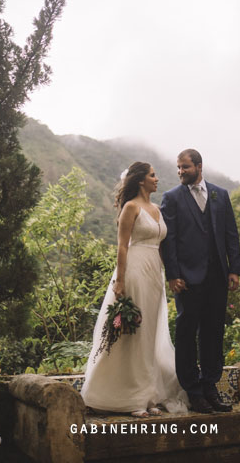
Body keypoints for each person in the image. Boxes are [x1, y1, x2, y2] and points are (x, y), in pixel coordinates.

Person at [81, 162, 188, 417]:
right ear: (140, 180)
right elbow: (122, 246)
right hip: (135, 271)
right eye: (152, 175)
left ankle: (148, 394)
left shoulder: (157, 209)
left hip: (154, 275)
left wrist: (171, 276)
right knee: (133, 334)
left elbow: (162, 247)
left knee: (150, 334)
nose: (157, 179)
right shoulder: (131, 207)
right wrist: (120, 280)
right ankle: (130, 398)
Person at [160, 149, 240, 414]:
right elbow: (168, 241)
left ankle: (210, 388)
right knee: (186, 334)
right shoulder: (171, 198)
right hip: (187, 279)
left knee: (213, 333)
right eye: (178, 168)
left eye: (185, 167)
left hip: (218, 276)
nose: (181, 172)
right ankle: (193, 392)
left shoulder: (221, 194)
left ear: (199, 166)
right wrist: (173, 275)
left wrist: (234, 270)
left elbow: (231, 234)